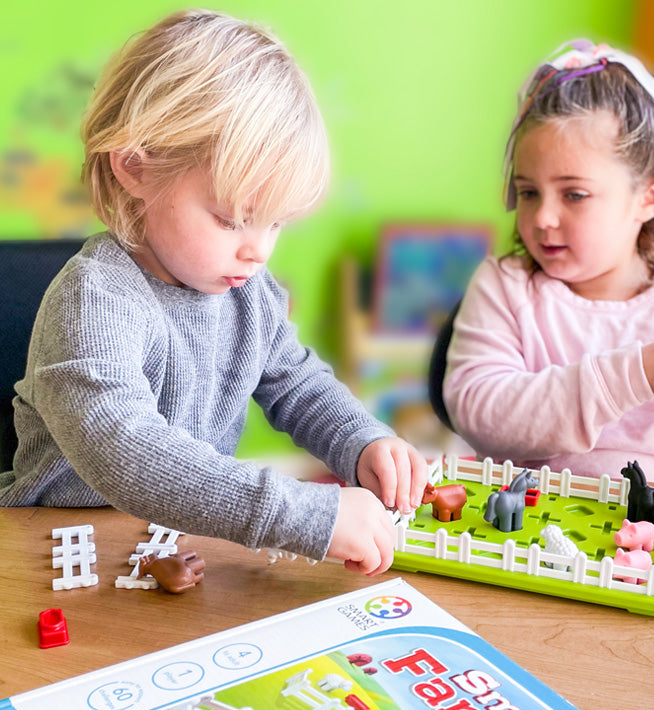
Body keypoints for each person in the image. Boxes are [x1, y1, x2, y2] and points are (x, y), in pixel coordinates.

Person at [0, 10, 428, 576]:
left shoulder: (249, 293)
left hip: (162, 544)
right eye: (233, 219)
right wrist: (301, 513)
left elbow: (297, 384)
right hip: (47, 555)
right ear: (135, 168)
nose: (259, 251)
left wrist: (360, 440)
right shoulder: (94, 299)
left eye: (275, 223)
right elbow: (122, 446)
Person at [443, 40, 654, 491]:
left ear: (650, 197)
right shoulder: (505, 286)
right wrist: (642, 372)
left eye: (574, 194)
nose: (542, 217)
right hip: (523, 538)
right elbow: (479, 413)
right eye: (527, 192)